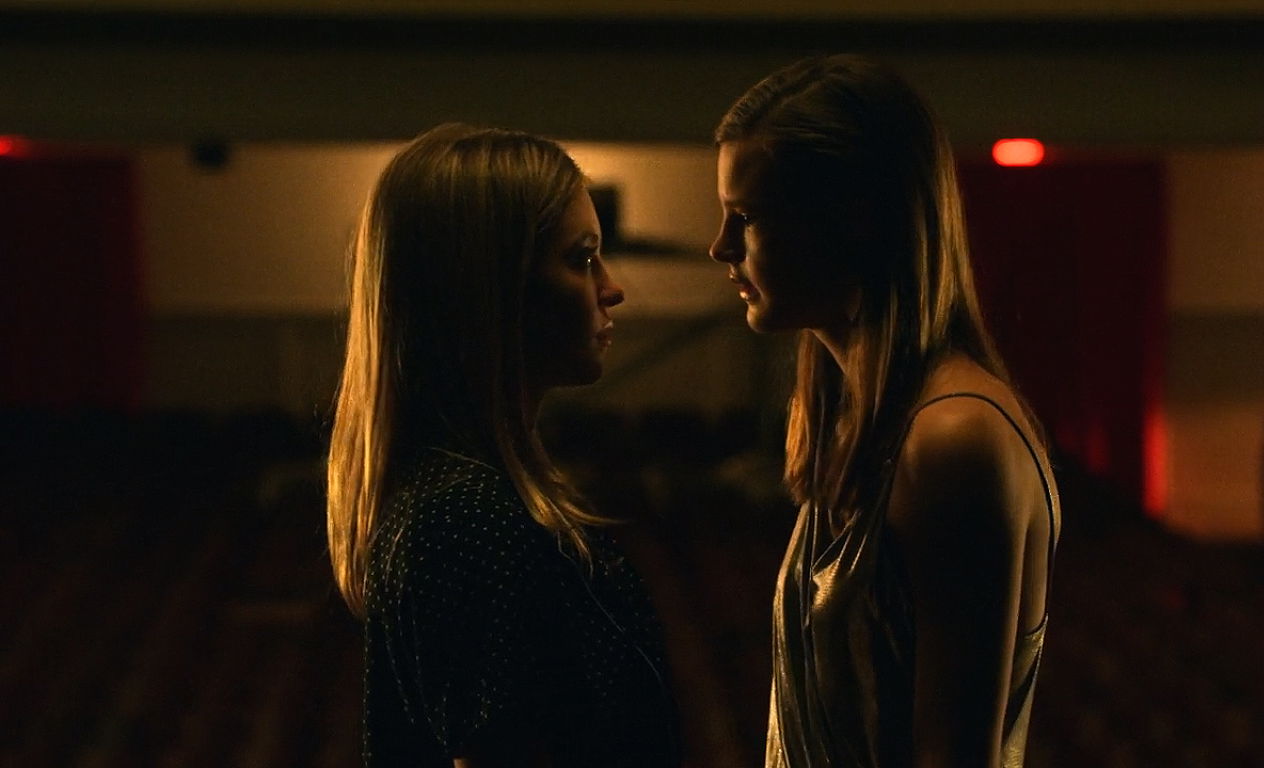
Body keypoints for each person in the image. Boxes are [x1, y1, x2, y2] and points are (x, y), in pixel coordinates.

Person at [708, 55, 1060, 767]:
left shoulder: (953, 440)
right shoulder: (867, 422)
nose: (721, 247)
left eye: (749, 218)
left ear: (855, 219)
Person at [327, 124, 678, 768]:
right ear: (489, 286)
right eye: (581, 259)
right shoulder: (466, 516)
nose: (612, 288)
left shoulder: (466, 498)